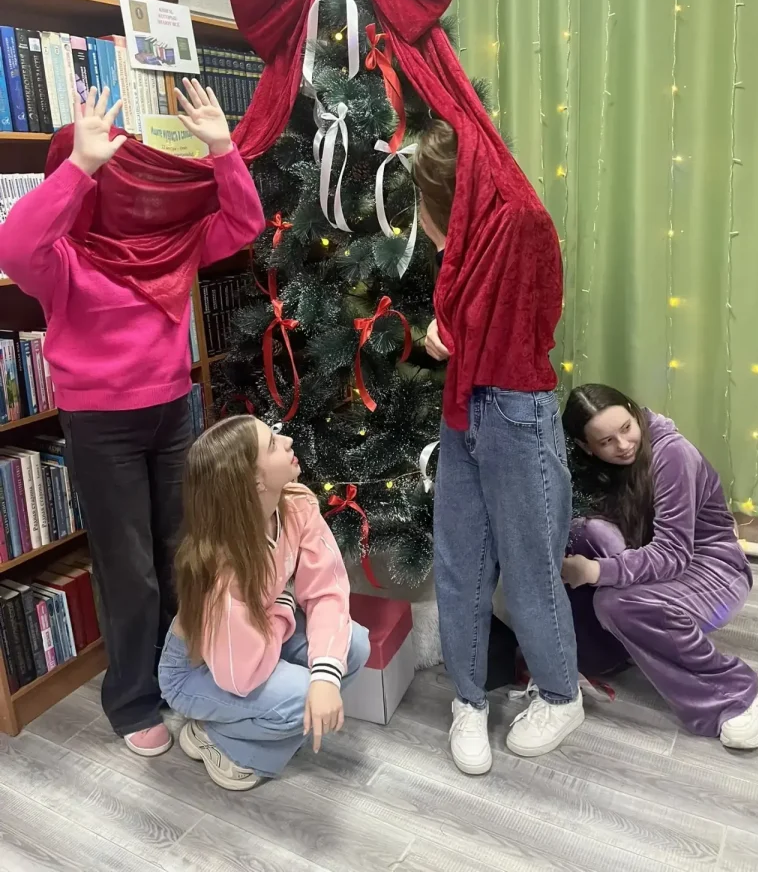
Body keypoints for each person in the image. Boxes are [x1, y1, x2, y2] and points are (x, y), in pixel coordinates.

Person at [0, 81, 266, 756]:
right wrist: (78, 166)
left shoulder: (168, 244)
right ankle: (132, 700)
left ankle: (184, 677)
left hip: (174, 411)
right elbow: (13, 247)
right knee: (129, 571)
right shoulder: (61, 258)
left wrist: (222, 148)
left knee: (184, 555)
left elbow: (243, 225)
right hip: (101, 425)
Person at [413, 119, 582, 775]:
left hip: (517, 411)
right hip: (465, 406)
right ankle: (468, 700)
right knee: (459, 563)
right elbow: (461, 322)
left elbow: (531, 316)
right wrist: (442, 331)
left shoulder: (520, 225)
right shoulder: (464, 248)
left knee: (530, 567)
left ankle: (561, 696)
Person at [157, 415, 370, 790]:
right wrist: (286, 602)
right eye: (272, 443)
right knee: (303, 696)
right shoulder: (223, 564)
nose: (287, 441)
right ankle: (218, 738)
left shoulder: (297, 506)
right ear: (254, 481)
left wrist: (324, 675)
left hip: (262, 633)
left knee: (351, 646)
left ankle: (252, 735)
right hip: (199, 670)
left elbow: (326, 591)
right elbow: (240, 674)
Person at [561, 383, 758, 749]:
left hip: (715, 571)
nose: (623, 445)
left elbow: (673, 553)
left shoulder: (672, 453)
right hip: (655, 568)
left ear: (633, 411)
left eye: (626, 428)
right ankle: (627, 645)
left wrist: (595, 572)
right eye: (606, 441)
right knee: (586, 536)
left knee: (617, 604)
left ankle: (735, 693)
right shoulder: (595, 469)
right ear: (585, 446)